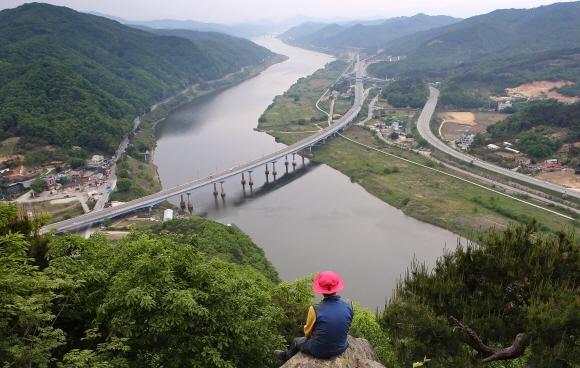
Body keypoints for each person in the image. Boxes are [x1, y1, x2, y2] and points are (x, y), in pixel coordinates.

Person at [274, 271, 353, 362]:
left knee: (296, 341)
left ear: (321, 290)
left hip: (318, 351)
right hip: (341, 347)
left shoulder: (315, 309)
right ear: (337, 287)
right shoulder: (349, 304)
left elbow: (307, 333)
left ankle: (287, 356)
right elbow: (347, 324)